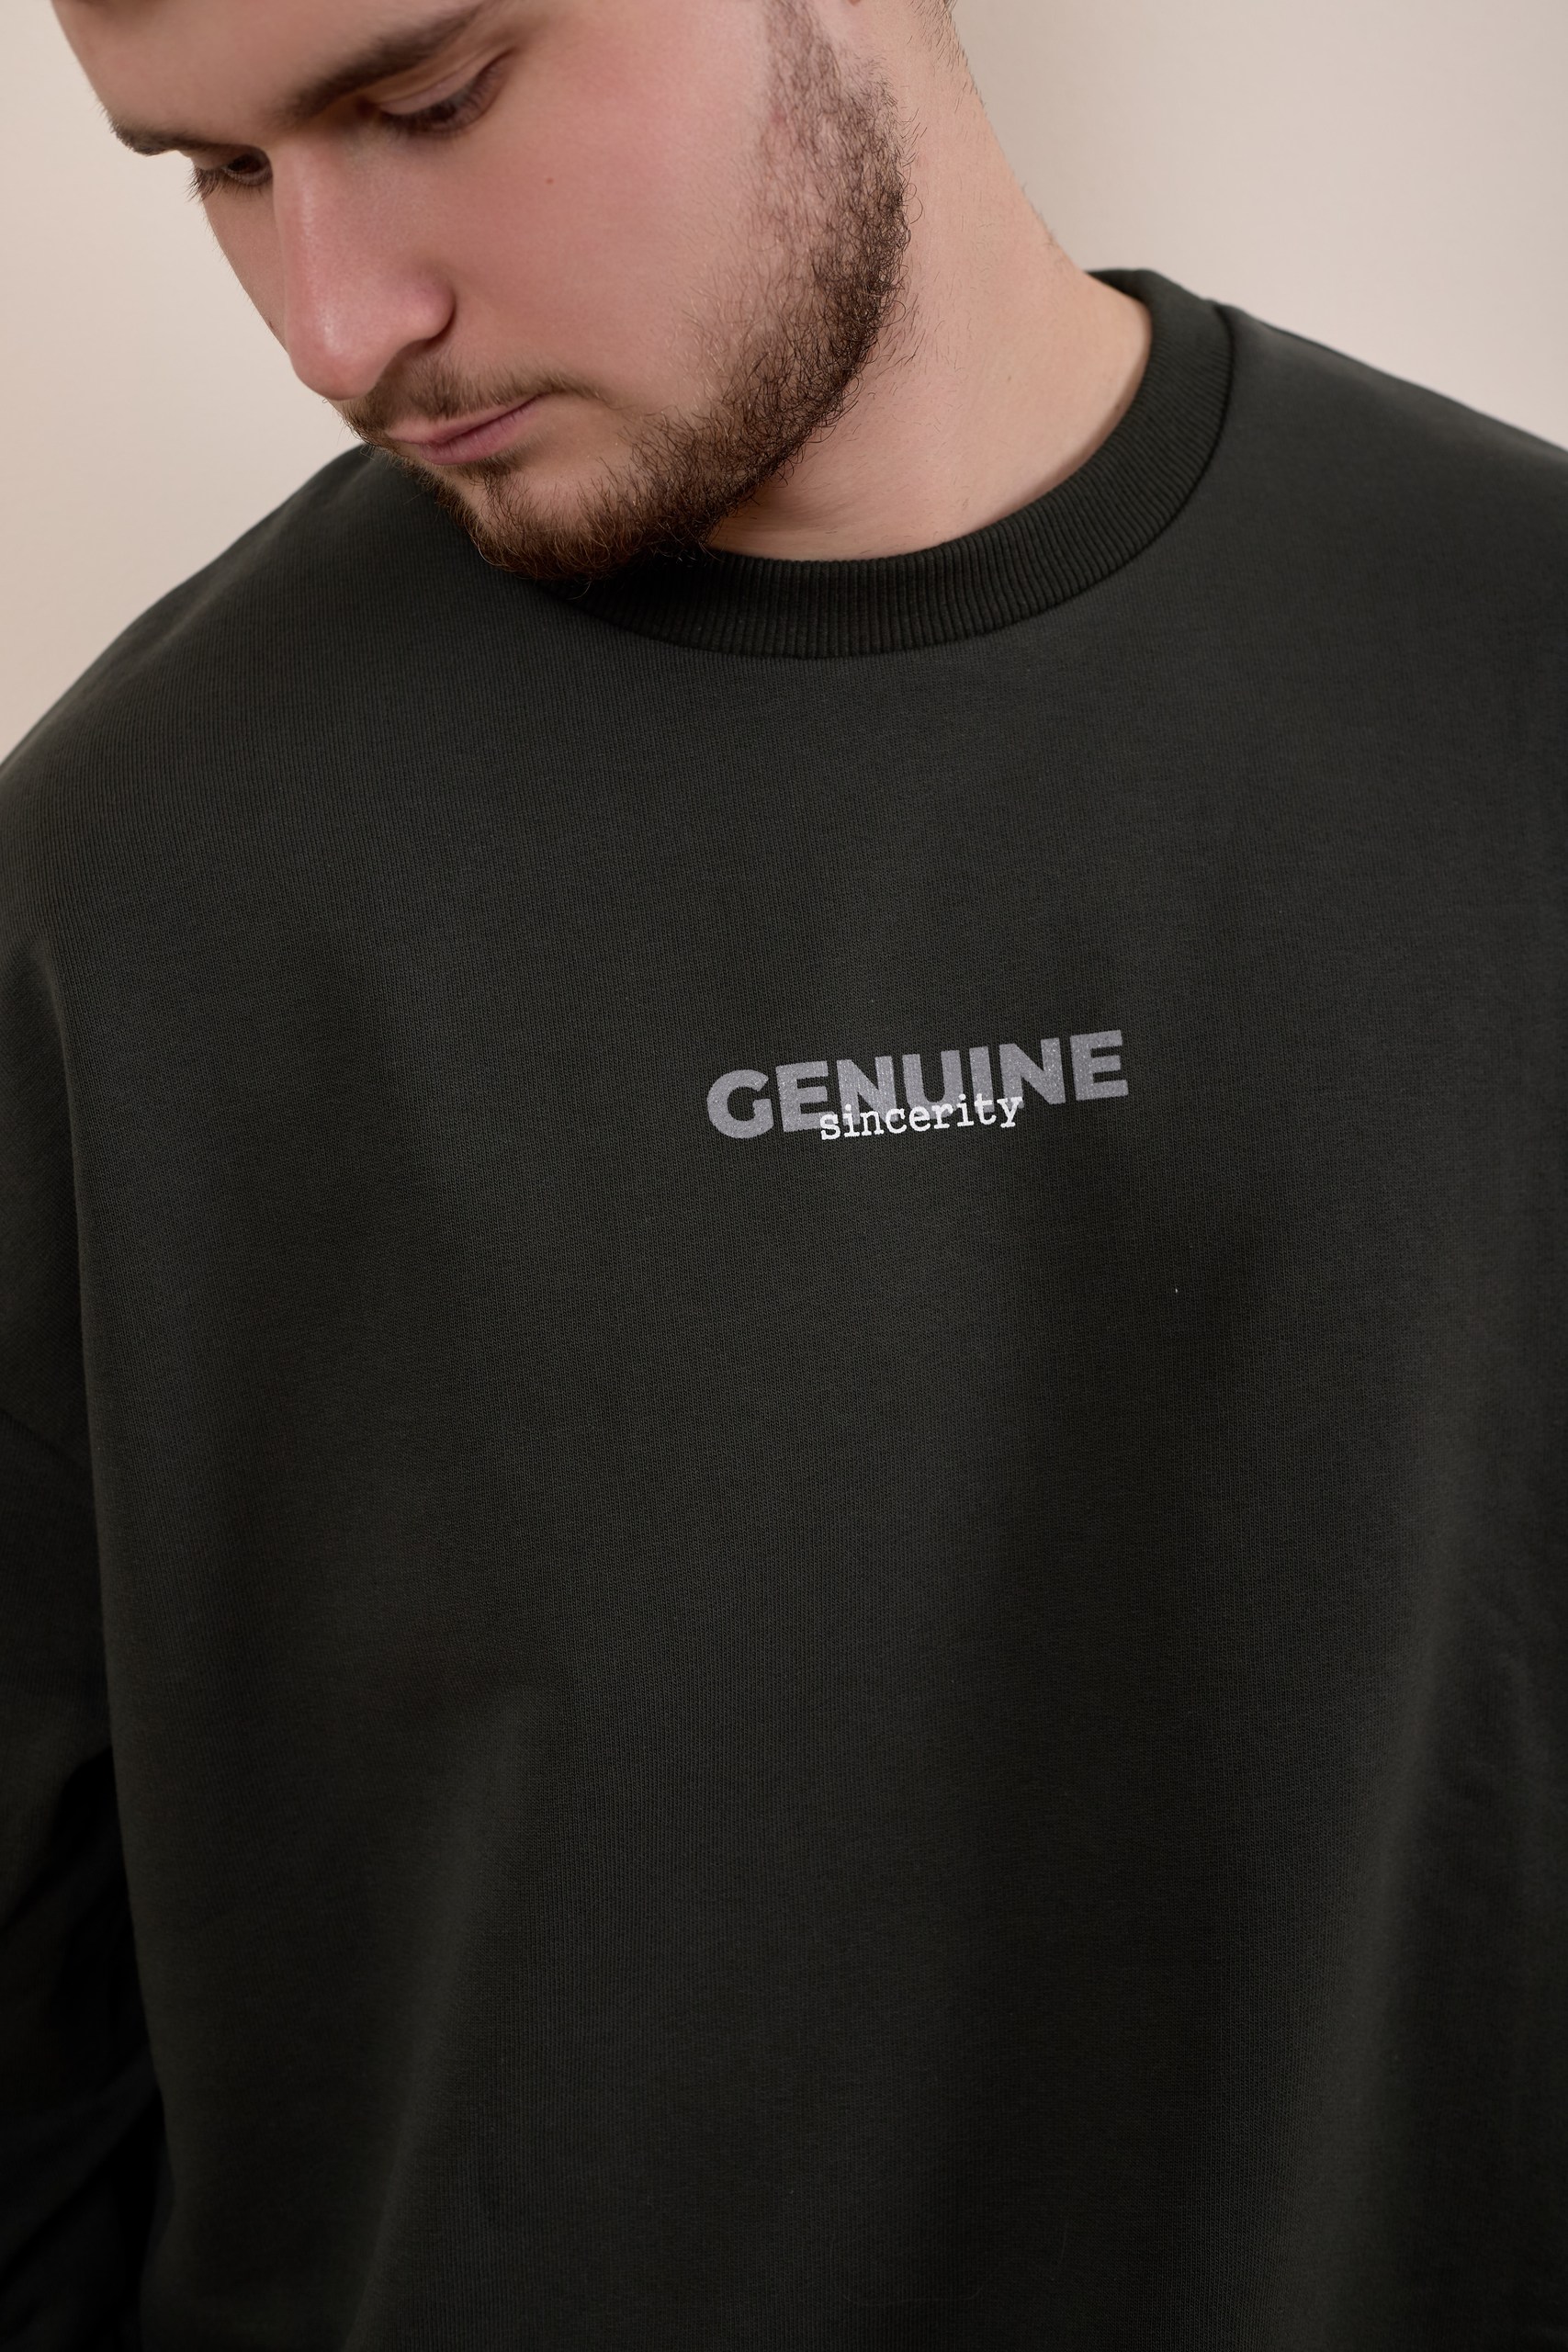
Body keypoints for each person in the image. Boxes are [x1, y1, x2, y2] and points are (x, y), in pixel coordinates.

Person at [3, 0, 1565, 2342]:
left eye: (428, 100)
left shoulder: (1510, 680)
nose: (336, 321)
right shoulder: (117, 897)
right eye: (214, 170)